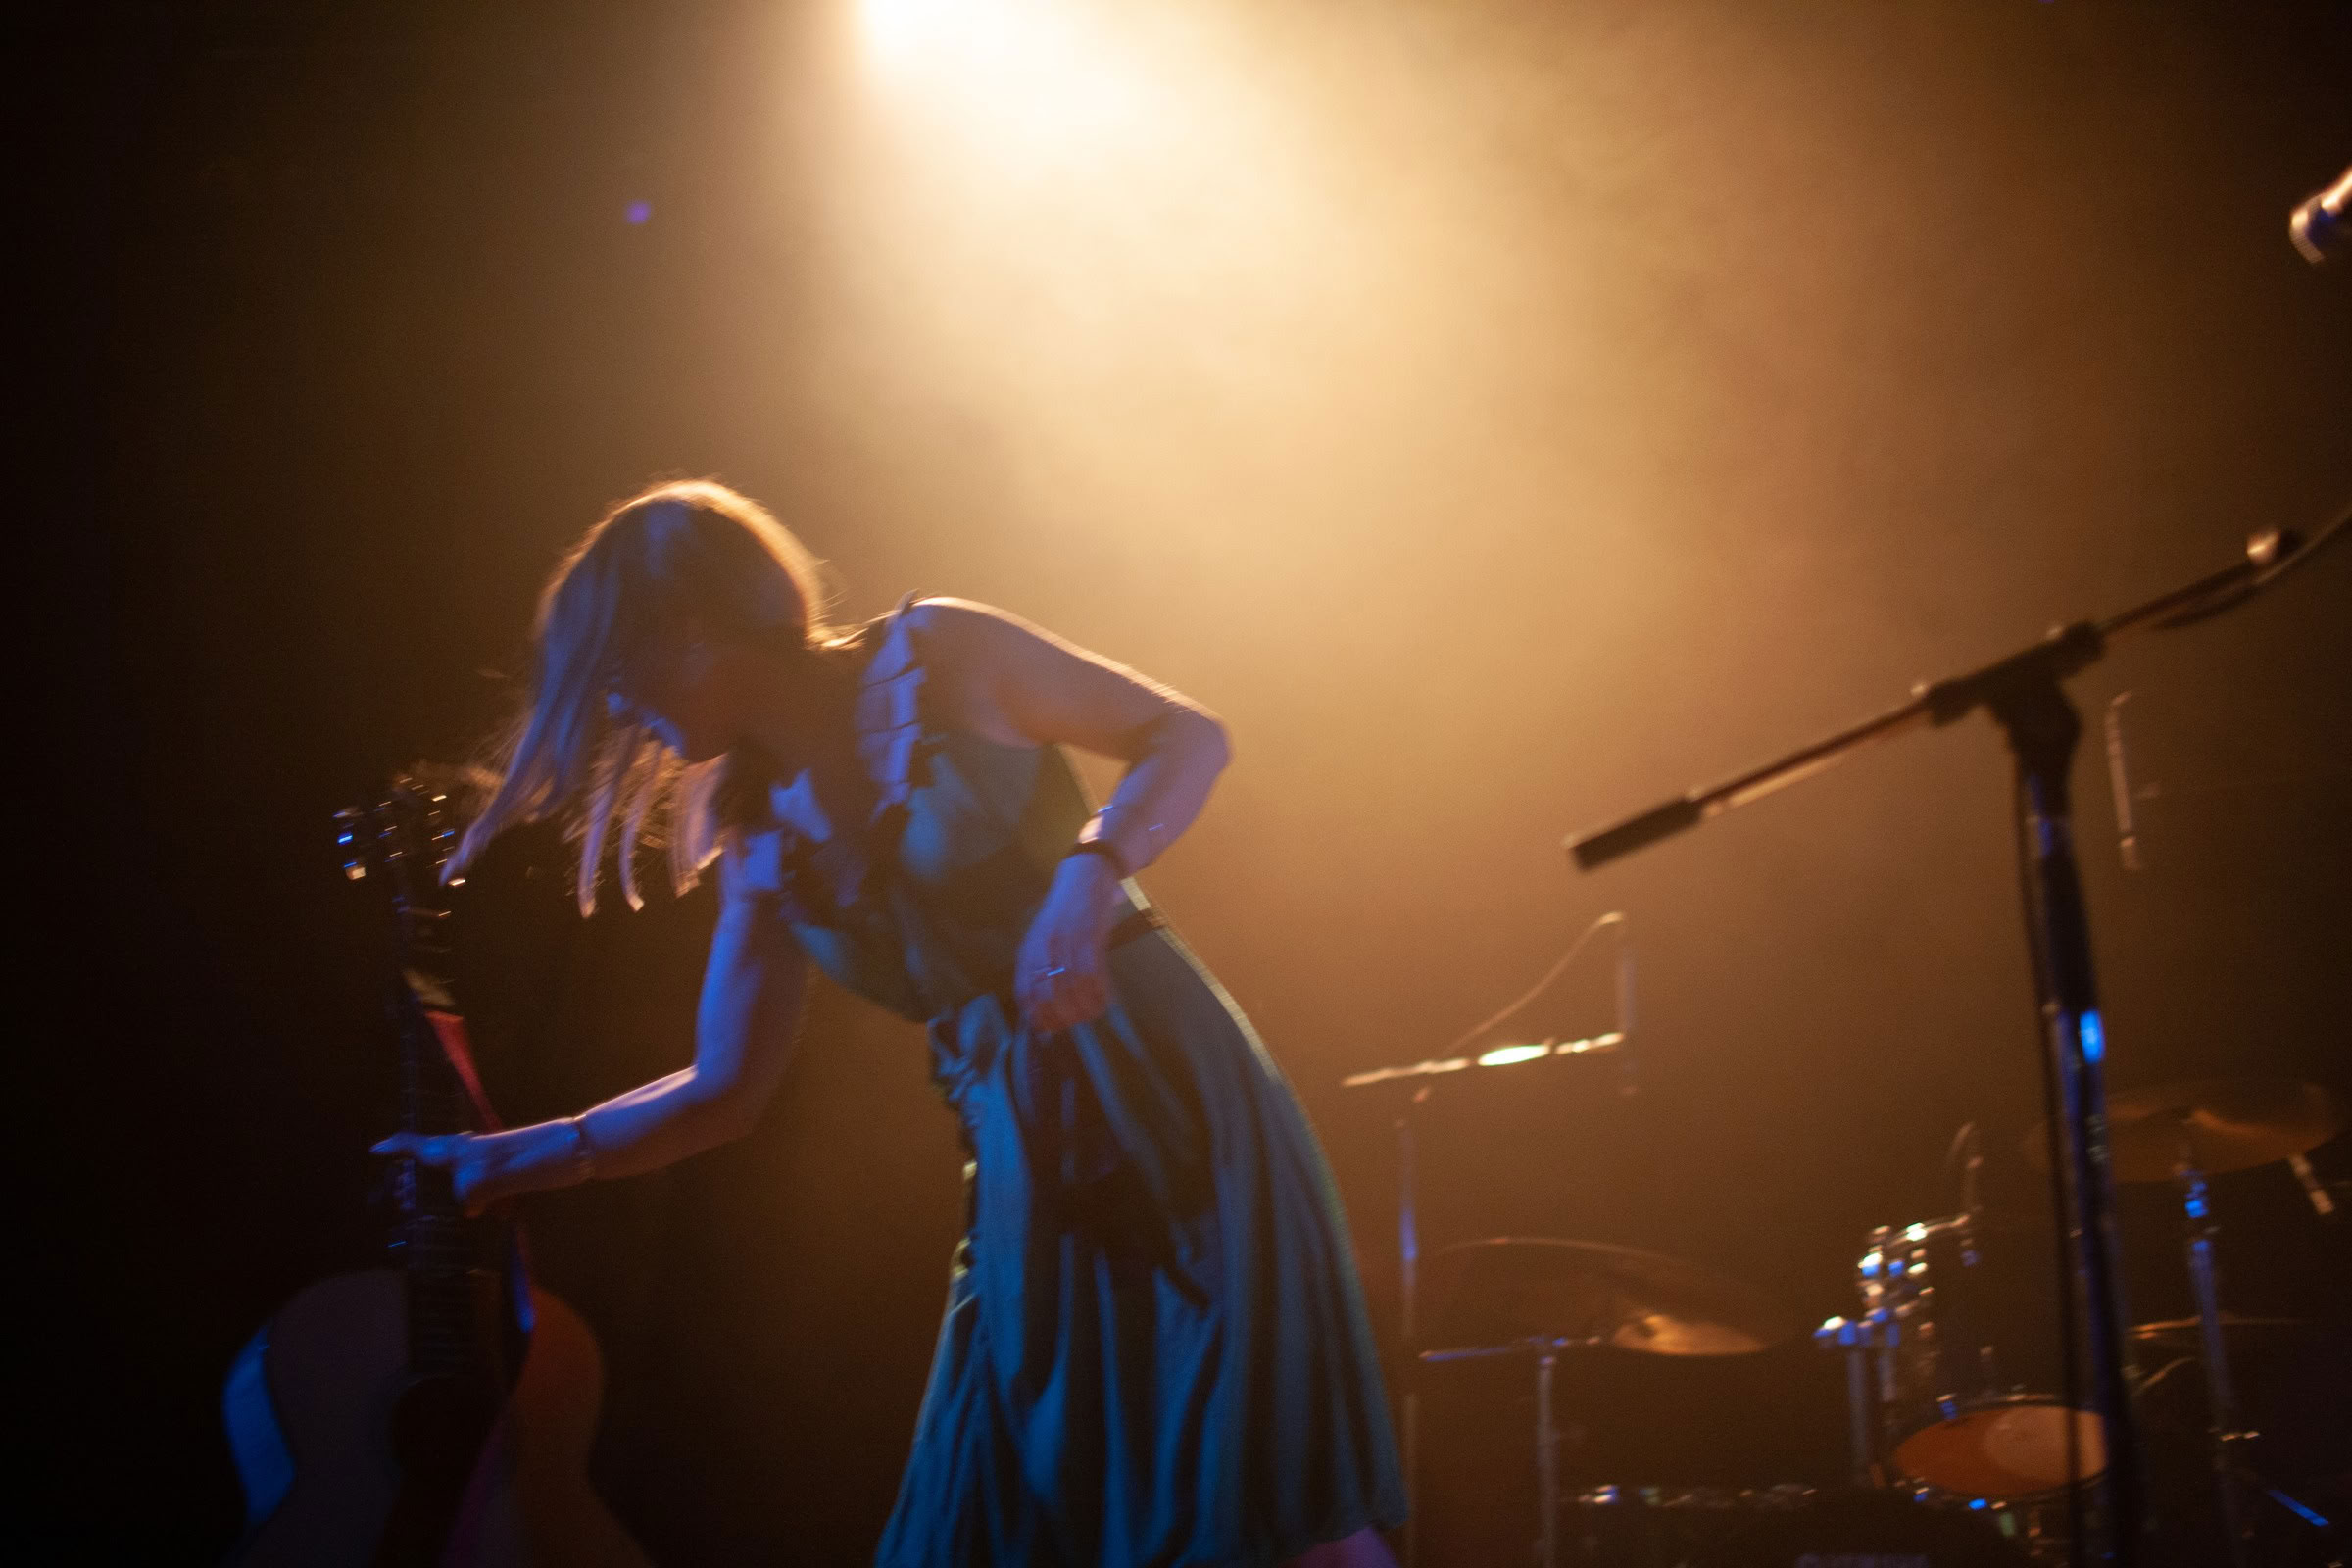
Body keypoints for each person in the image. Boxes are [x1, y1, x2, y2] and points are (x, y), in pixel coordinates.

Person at [374, 479, 1406, 1567]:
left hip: (1165, 1096)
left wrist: (1089, 874)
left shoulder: (939, 654)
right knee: (1020, 1519)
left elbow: (1184, 735)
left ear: (684, 631)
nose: (617, 711)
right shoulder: (759, 834)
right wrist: (500, 1160)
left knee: (1257, 1499)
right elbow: (722, 1091)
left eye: (616, 672)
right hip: (1025, 1165)